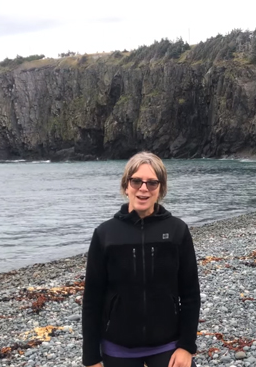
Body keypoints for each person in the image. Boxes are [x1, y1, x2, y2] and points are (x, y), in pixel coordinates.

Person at [82, 152, 200, 367]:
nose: (143, 188)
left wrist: (186, 346)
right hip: (117, 347)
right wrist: (91, 358)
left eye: (152, 183)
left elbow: (190, 294)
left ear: (161, 189)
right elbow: (92, 299)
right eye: (136, 181)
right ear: (126, 186)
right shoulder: (105, 234)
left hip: (168, 345)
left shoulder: (177, 231)